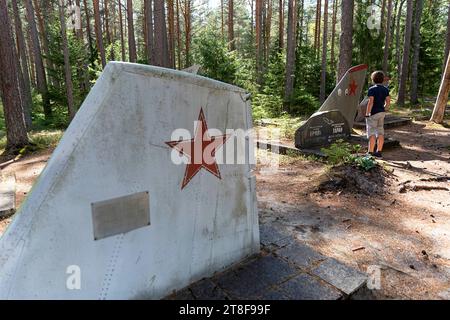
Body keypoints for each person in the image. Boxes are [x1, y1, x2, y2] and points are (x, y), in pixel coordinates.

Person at [366, 71, 390, 158]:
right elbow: (388, 101)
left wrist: (367, 113)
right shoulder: (386, 89)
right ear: (382, 80)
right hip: (382, 113)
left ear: (373, 79)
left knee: (371, 132)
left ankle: (370, 152)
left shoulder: (372, 89)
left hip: (373, 113)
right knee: (380, 132)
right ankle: (379, 152)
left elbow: (370, 102)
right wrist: (385, 109)